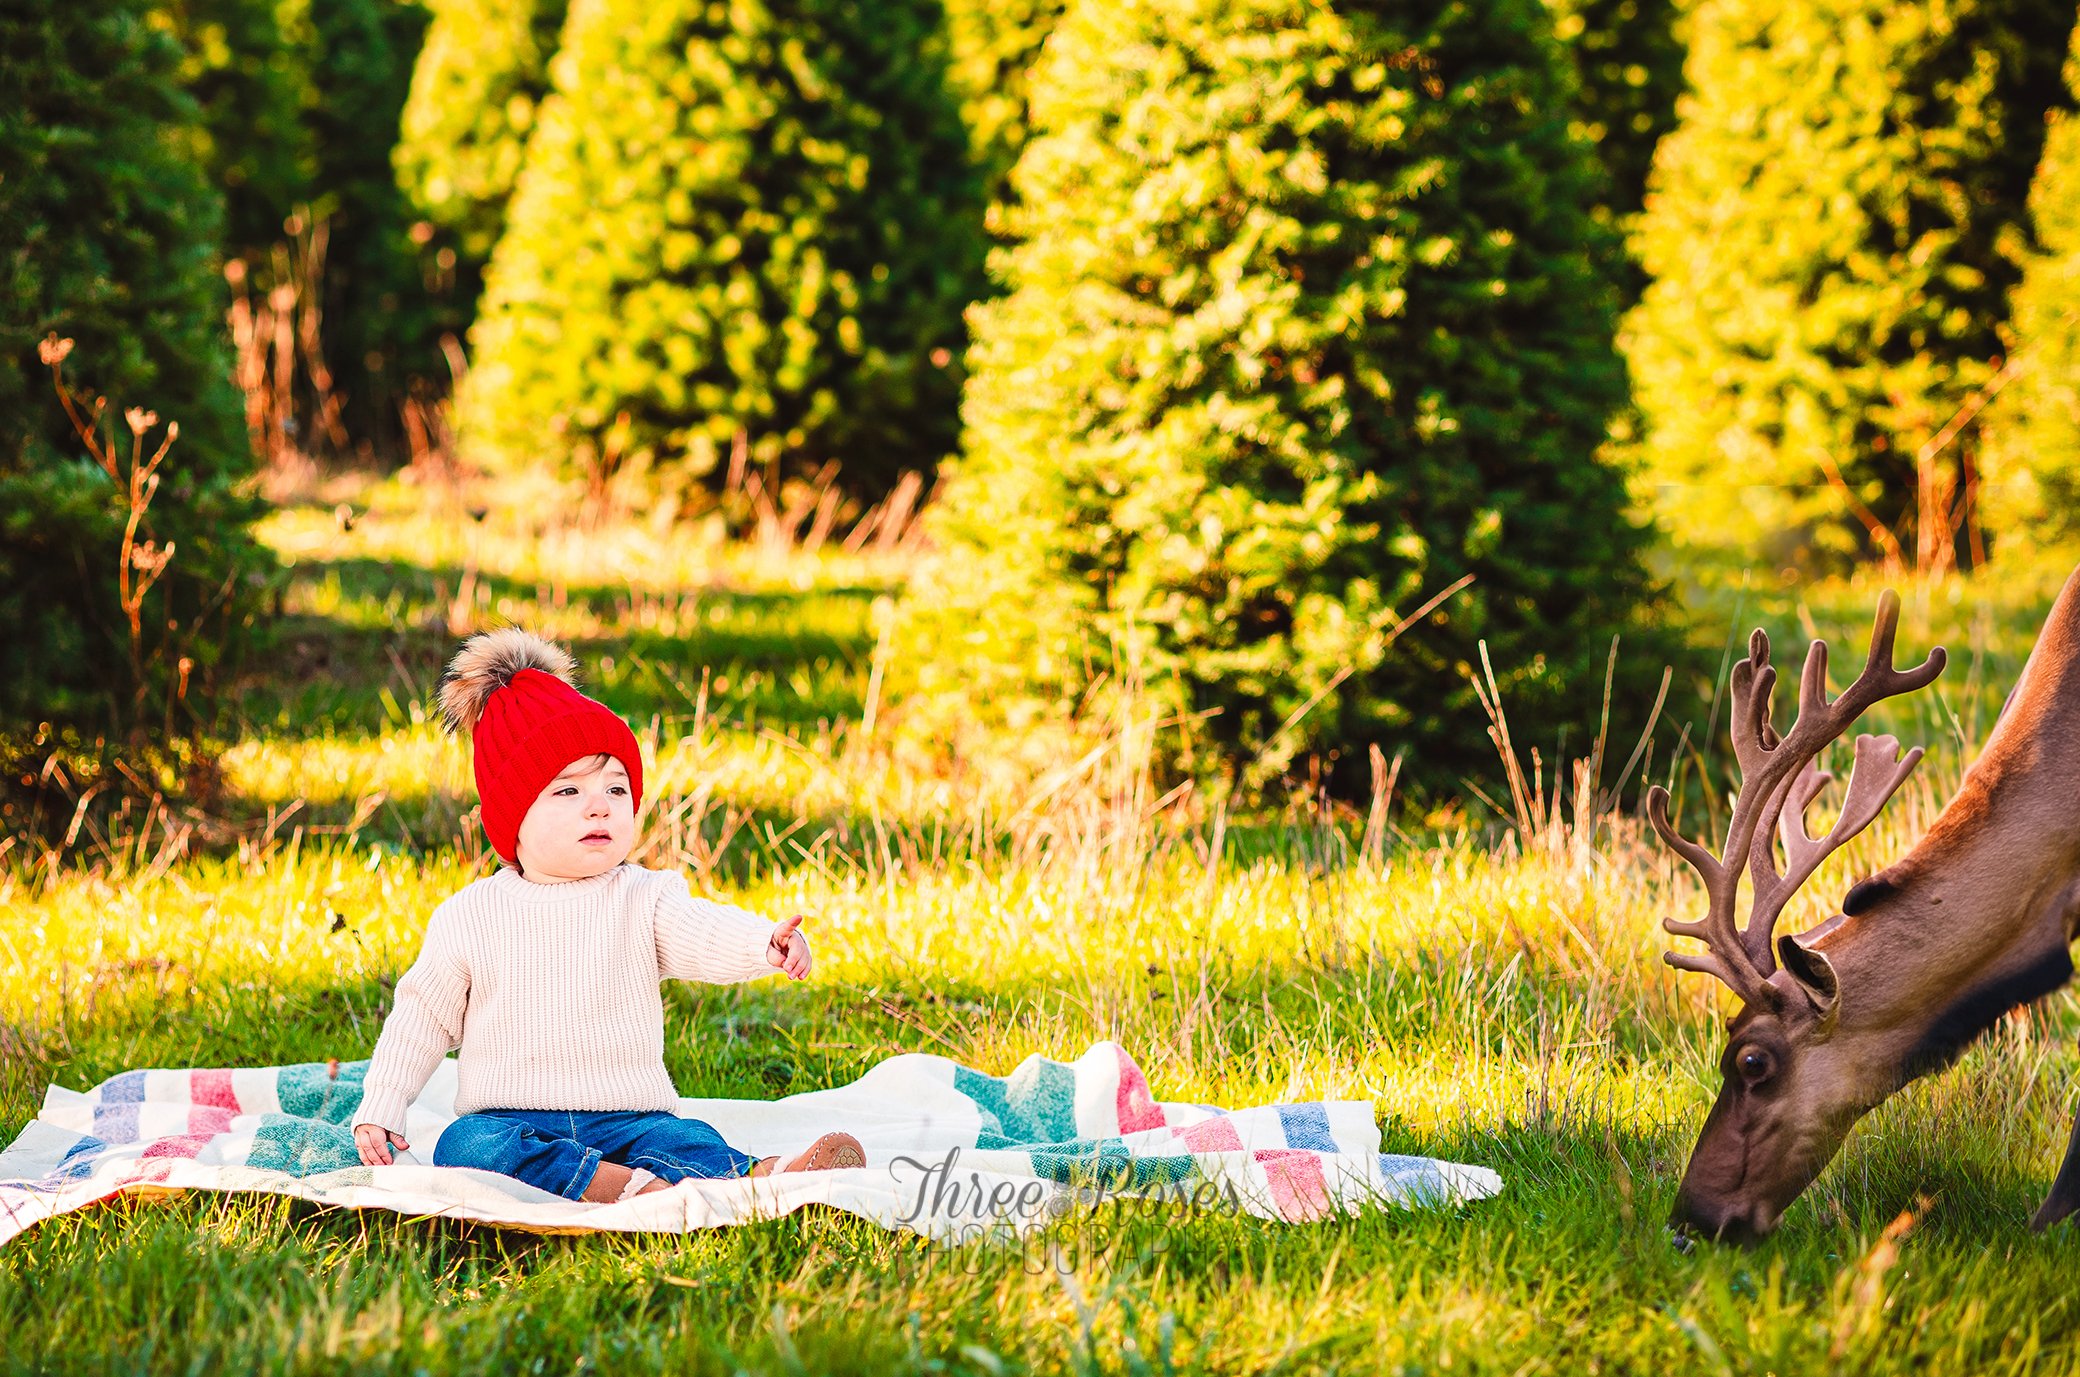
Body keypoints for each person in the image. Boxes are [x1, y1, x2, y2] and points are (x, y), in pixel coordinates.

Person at [349, 628, 864, 1201]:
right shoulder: (471, 915)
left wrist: (762, 943)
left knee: (685, 1138)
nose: (599, 804)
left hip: (629, 1117)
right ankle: (620, 1187)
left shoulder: (643, 898)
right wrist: (382, 1107)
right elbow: (421, 1018)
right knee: (466, 1147)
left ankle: (766, 1175)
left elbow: (701, 929)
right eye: (567, 793)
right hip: (513, 1118)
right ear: (513, 819)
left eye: (616, 789)